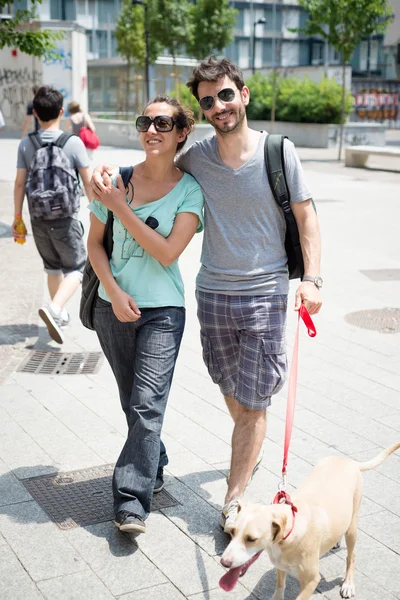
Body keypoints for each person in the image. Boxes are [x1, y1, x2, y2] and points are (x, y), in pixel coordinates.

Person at [91, 58, 322, 534]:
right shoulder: (195, 158)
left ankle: (233, 500)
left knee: (253, 403)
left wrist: (312, 278)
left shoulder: (279, 152)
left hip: (264, 292)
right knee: (233, 394)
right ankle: (241, 443)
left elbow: (306, 217)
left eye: (226, 95)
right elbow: (153, 164)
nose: (219, 106)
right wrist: (97, 169)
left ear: (244, 94)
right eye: (208, 100)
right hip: (212, 294)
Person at [87, 95, 204, 535]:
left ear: (180, 133)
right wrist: (113, 292)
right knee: (132, 402)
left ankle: (131, 502)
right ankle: (154, 459)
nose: (151, 130)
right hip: (111, 306)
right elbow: (95, 244)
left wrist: (121, 207)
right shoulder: (115, 179)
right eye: (144, 121)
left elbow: (168, 251)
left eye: (162, 123)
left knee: (146, 403)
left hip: (163, 312)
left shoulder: (190, 191)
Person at [13, 86, 92, 344]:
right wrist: (98, 211)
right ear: (61, 112)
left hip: (37, 219)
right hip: (66, 218)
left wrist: (18, 218)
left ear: (35, 113)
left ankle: (58, 314)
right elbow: (89, 183)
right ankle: (55, 309)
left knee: (52, 267)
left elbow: (18, 184)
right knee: (77, 267)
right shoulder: (73, 143)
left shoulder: (26, 144)